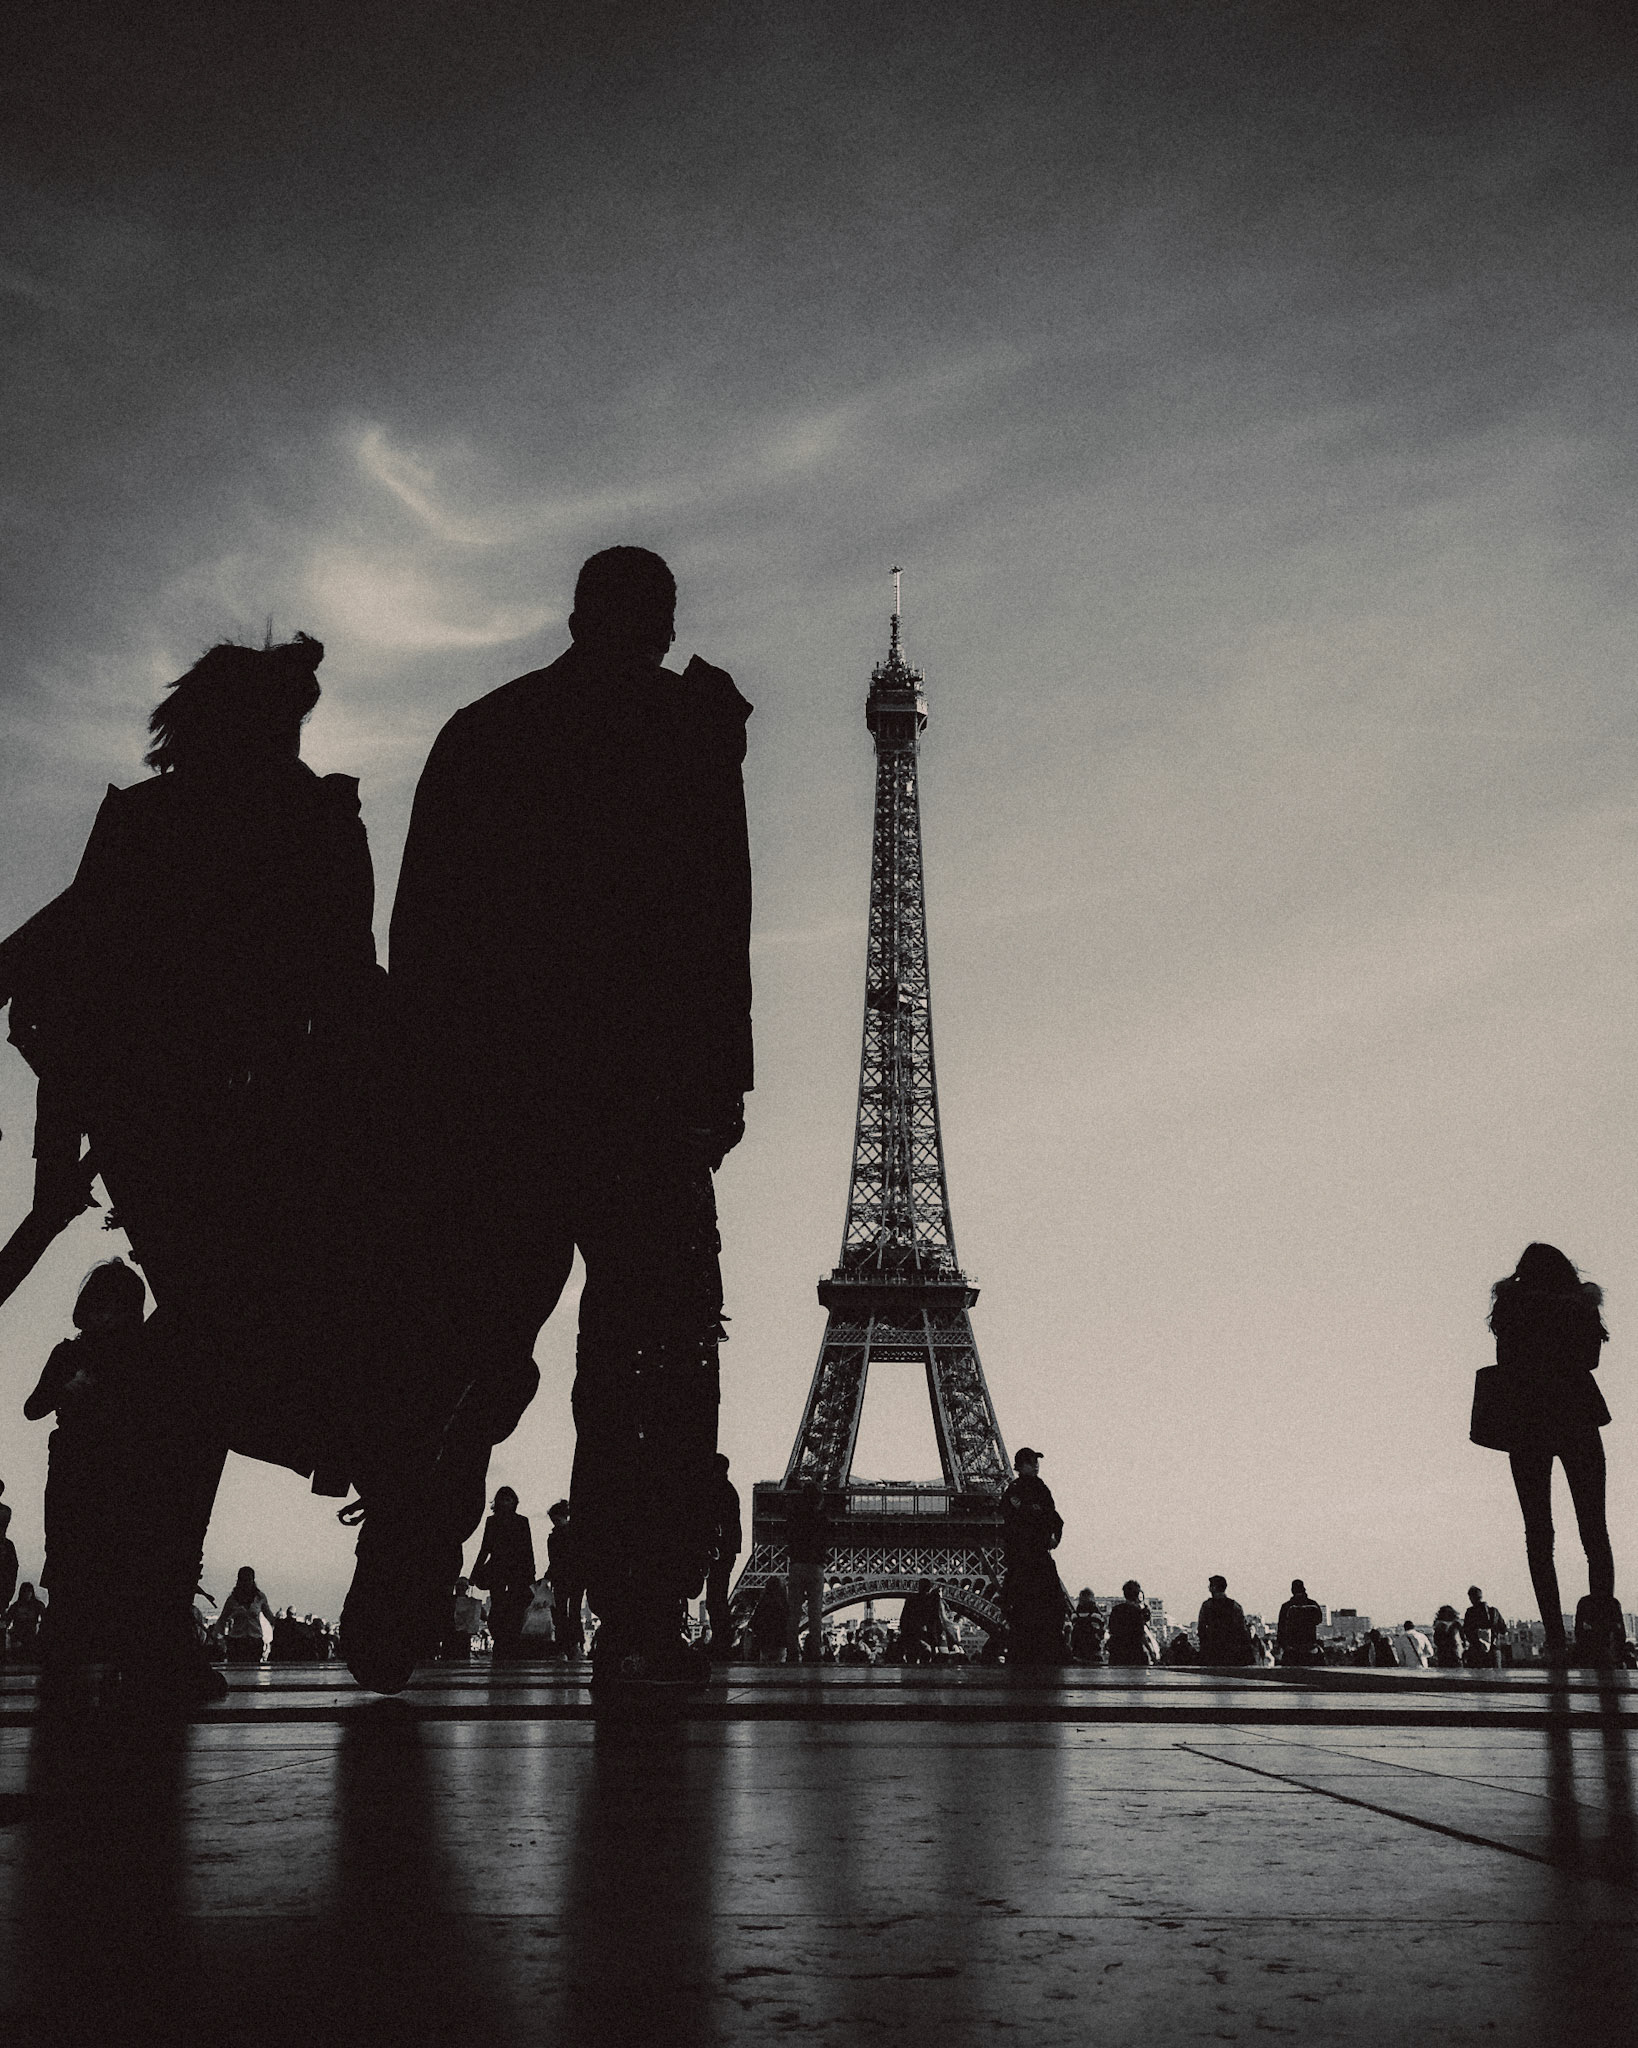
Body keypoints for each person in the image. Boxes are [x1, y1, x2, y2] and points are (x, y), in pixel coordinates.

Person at [357, 546, 753, 1701]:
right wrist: (721, 1076)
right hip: (640, 1098)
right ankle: (635, 1611)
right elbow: (715, 915)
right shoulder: (685, 735)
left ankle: (399, 1569)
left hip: (495, 1096)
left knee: (462, 1346)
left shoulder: (483, 731)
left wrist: (425, 1087)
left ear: (576, 614)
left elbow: (418, 928)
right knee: (648, 1359)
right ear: (663, 623)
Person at [0, 632, 384, 1709]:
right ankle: (156, 1599)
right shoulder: (313, 816)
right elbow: (348, 987)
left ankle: (137, 1596)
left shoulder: (147, 819)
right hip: (257, 1126)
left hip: (155, 1127)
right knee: (215, 1354)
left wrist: (58, 1146)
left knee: (205, 1350)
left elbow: (63, 948)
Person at [1476, 1244, 1622, 1669]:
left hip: (1526, 1420)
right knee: (1594, 1530)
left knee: (1539, 1533)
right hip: (1576, 1414)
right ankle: (1599, 1632)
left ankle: (1555, 1639)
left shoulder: (1511, 1306)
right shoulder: (1579, 1305)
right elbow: (1590, 1360)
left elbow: (1506, 1361)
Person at [23, 1258, 147, 1696]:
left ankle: (75, 1648)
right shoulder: (73, 1354)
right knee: (74, 1549)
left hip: (95, 1463)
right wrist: (64, 1389)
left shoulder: (101, 1356)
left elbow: (34, 1409)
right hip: (89, 1463)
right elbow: (34, 1406)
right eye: (101, 1308)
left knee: (86, 1550)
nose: (105, 1318)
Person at [999, 1448, 1068, 1667]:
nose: (1036, 1465)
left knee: (1029, 1602)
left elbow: (1051, 1516)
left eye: (1036, 1461)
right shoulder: (1023, 1489)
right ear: (1020, 1466)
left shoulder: (1030, 1489)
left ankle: (1030, 1646)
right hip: (1028, 1555)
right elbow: (1047, 1516)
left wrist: (1053, 1534)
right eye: (1031, 1462)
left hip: (1028, 1556)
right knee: (1039, 1601)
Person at [471, 1487, 536, 1662]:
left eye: (508, 1500)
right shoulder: (501, 1521)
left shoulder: (511, 1521)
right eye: (504, 1499)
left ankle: (506, 1642)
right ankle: (504, 1642)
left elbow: (527, 1549)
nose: (506, 1503)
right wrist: (475, 1571)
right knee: (501, 1606)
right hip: (504, 1570)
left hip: (509, 1570)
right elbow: (485, 1547)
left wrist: (476, 1571)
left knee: (510, 1607)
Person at [784, 1478, 831, 1664]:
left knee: (793, 1613)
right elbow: (825, 1540)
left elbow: (789, 1538)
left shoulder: (794, 1516)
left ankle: (792, 1653)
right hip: (815, 1567)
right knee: (815, 1613)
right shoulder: (821, 1518)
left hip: (797, 1565)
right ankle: (814, 1653)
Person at [705, 1454, 742, 1660]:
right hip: (725, 1550)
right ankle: (722, 1640)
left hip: (720, 1551)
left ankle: (721, 1641)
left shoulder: (720, 1491)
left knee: (715, 1598)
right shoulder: (728, 1491)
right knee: (717, 1598)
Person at [544, 1500, 586, 1658]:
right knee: (572, 1611)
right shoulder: (575, 1535)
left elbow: (554, 1561)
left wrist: (548, 1576)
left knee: (561, 1612)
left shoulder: (554, 1538)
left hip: (561, 1579)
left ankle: (564, 1646)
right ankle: (574, 1645)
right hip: (575, 1578)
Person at [219, 1568, 272, 1666]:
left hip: (255, 1641)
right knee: (236, 1672)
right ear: (239, 1581)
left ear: (253, 1580)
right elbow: (222, 1619)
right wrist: (221, 1639)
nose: (246, 1583)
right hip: (237, 1641)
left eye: (248, 1579)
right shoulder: (232, 1599)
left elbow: (270, 1617)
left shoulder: (260, 1597)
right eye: (243, 1580)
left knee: (253, 1672)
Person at [1196, 1575, 1254, 1665]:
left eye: (1210, 1586)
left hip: (1212, 1651)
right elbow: (1242, 1630)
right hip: (1232, 1651)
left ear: (1214, 1588)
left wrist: (1205, 1646)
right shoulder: (1235, 1606)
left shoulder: (1207, 1606)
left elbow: (1201, 1628)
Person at [898, 1579, 956, 1664]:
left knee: (913, 1656)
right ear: (929, 1587)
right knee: (931, 1655)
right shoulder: (933, 1600)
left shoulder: (911, 1599)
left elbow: (904, 1619)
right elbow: (936, 1619)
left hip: (914, 1633)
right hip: (928, 1633)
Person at [1105, 1581, 1159, 1667]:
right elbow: (1141, 1634)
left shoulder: (1116, 1610)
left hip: (1117, 1653)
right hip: (1135, 1653)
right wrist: (1151, 1653)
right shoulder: (1137, 1612)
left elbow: (1112, 1630)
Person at [1276, 1580, 1324, 1667]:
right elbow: (1319, 1620)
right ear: (1304, 1589)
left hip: (1292, 1650)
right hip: (1310, 1648)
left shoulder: (1286, 1607)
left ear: (1292, 1590)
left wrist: (1285, 1646)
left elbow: (1281, 1629)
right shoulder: (1313, 1605)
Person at [1462, 1585, 1505, 1669]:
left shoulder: (1470, 1612)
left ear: (1471, 1598)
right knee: (1496, 1678)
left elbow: (1466, 1631)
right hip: (1494, 1650)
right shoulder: (1494, 1611)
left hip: (1477, 1651)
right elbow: (1503, 1629)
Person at [750, 1576, 789, 1663]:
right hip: (780, 1641)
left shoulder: (763, 1604)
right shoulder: (784, 1605)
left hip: (765, 1641)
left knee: (765, 1662)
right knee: (779, 1663)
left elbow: (754, 1623)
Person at [445, 1577, 485, 1659]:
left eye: (462, 1586)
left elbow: (483, 1616)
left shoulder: (449, 1601)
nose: (460, 1588)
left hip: (459, 1637)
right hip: (453, 1636)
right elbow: (484, 1616)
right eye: (459, 1586)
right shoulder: (449, 1601)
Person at [5, 1583, 46, 1658]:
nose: (26, 1594)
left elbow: (46, 1619)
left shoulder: (37, 1605)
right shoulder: (16, 1606)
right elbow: (7, 1621)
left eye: (28, 1591)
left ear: (32, 1593)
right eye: (25, 1592)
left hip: (31, 1635)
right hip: (18, 1635)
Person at [1069, 1589, 1106, 1665]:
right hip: (1093, 1650)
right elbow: (1102, 1626)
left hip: (1077, 1651)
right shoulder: (1096, 1616)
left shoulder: (1074, 1615)